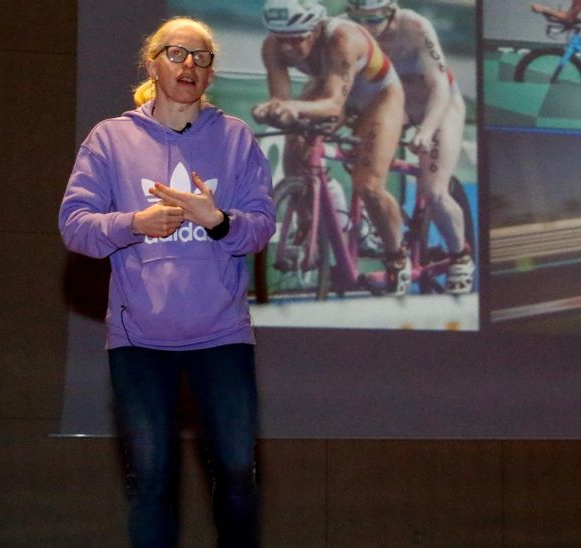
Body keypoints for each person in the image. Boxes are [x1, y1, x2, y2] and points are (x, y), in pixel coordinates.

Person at [58, 17, 275, 548]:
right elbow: (74, 225)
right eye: (177, 55)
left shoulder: (235, 137)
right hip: (140, 344)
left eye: (202, 59)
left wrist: (217, 220)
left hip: (221, 337)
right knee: (151, 483)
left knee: (238, 478)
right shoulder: (110, 139)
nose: (189, 67)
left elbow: (261, 226)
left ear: (210, 74)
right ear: (152, 63)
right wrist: (134, 223)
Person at [252, 0, 412, 295]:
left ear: (315, 29)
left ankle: (397, 256)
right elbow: (281, 100)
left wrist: (287, 106)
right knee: (293, 134)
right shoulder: (271, 46)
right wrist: (273, 109)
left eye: (297, 38)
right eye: (281, 38)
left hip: (378, 97)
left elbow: (334, 104)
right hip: (329, 87)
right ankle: (308, 221)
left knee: (369, 186)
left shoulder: (342, 38)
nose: (288, 48)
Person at [345, 0, 475, 293]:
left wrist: (427, 130)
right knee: (366, 171)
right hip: (394, 106)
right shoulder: (346, 29)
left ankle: (460, 256)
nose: (367, 27)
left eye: (375, 18)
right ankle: (371, 225)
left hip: (437, 104)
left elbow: (439, 86)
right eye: (359, 19)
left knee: (434, 192)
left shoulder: (414, 26)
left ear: (391, 11)